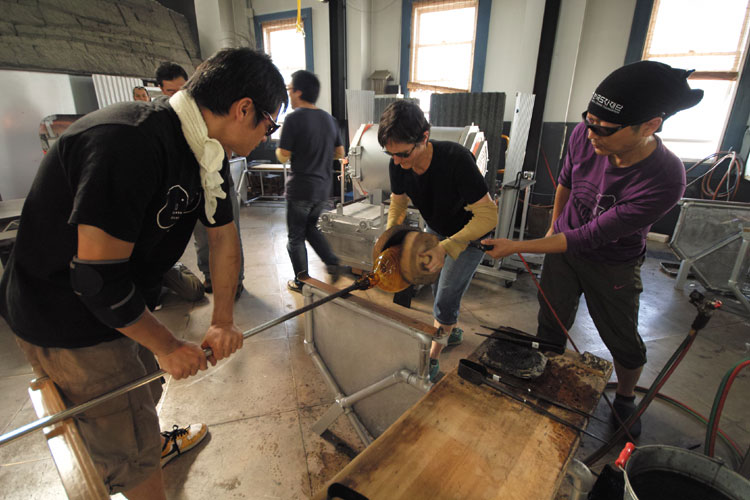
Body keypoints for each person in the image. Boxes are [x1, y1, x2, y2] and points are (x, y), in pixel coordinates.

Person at [0, 48, 287, 499]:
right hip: (67, 315)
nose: (268, 136)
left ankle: (146, 443)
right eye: (269, 125)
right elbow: (96, 279)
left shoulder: (208, 151)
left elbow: (222, 239)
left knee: (143, 391)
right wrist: (169, 345)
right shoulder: (129, 142)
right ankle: (138, 466)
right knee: (125, 442)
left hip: (119, 304)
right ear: (243, 109)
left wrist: (223, 320)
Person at [482, 61, 703, 437]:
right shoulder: (584, 136)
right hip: (563, 251)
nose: (591, 134)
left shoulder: (666, 178)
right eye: (589, 120)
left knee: (622, 339)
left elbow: (590, 236)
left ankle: (626, 397)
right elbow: (566, 182)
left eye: (605, 128)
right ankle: (544, 375)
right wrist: (554, 225)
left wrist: (518, 246)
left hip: (613, 262)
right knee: (550, 323)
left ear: (649, 126)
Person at [378, 100, 497, 382]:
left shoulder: (456, 159)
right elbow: (398, 202)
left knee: (445, 294)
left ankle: (430, 360)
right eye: (391, 154)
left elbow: (489, 215)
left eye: (403, 154)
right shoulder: (398, 163)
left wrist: (447, 247)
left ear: (424, 138)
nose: (397, 162)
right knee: (433, 281)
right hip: (436, 227)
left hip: (470, 234)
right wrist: (390, 235)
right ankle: (449, 329)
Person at [275, 70, 346, 292]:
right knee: (310, 228)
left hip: (300, 189)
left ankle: (301, 282)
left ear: (298, 92)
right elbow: (340, 152)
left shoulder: (293, 119)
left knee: (295, 238)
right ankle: (332, 261)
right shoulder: (329, 119)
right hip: (322, 189)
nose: (289, 94)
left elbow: (283, 155)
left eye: (290, 89)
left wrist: (292, 151)